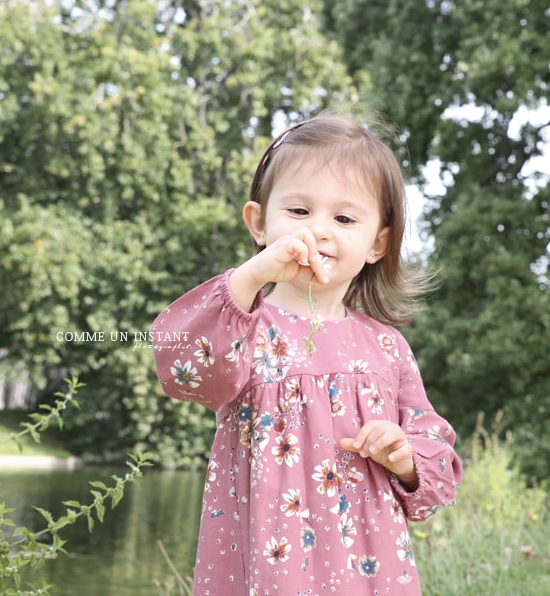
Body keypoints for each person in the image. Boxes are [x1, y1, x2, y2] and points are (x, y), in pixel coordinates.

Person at [151, 112, 462, 595]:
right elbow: (184, 370)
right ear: (258, 222)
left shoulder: (386, 347)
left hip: (369, 570)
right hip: (268, 565)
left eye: (343, 218)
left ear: (377, 242)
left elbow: (437, 466)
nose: (318, 231)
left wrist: (402, 456)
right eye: (298, 212)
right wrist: (249, 278)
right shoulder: (243, 326)